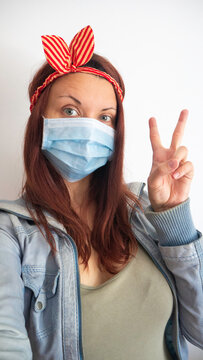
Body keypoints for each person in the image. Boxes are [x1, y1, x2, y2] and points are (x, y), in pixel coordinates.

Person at [0, 25, 202, 360]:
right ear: (41, 121)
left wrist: (173, 216)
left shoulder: (145, 212)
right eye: (70, 110)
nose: (90, 127)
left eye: (105, 117)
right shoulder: (11, 232)